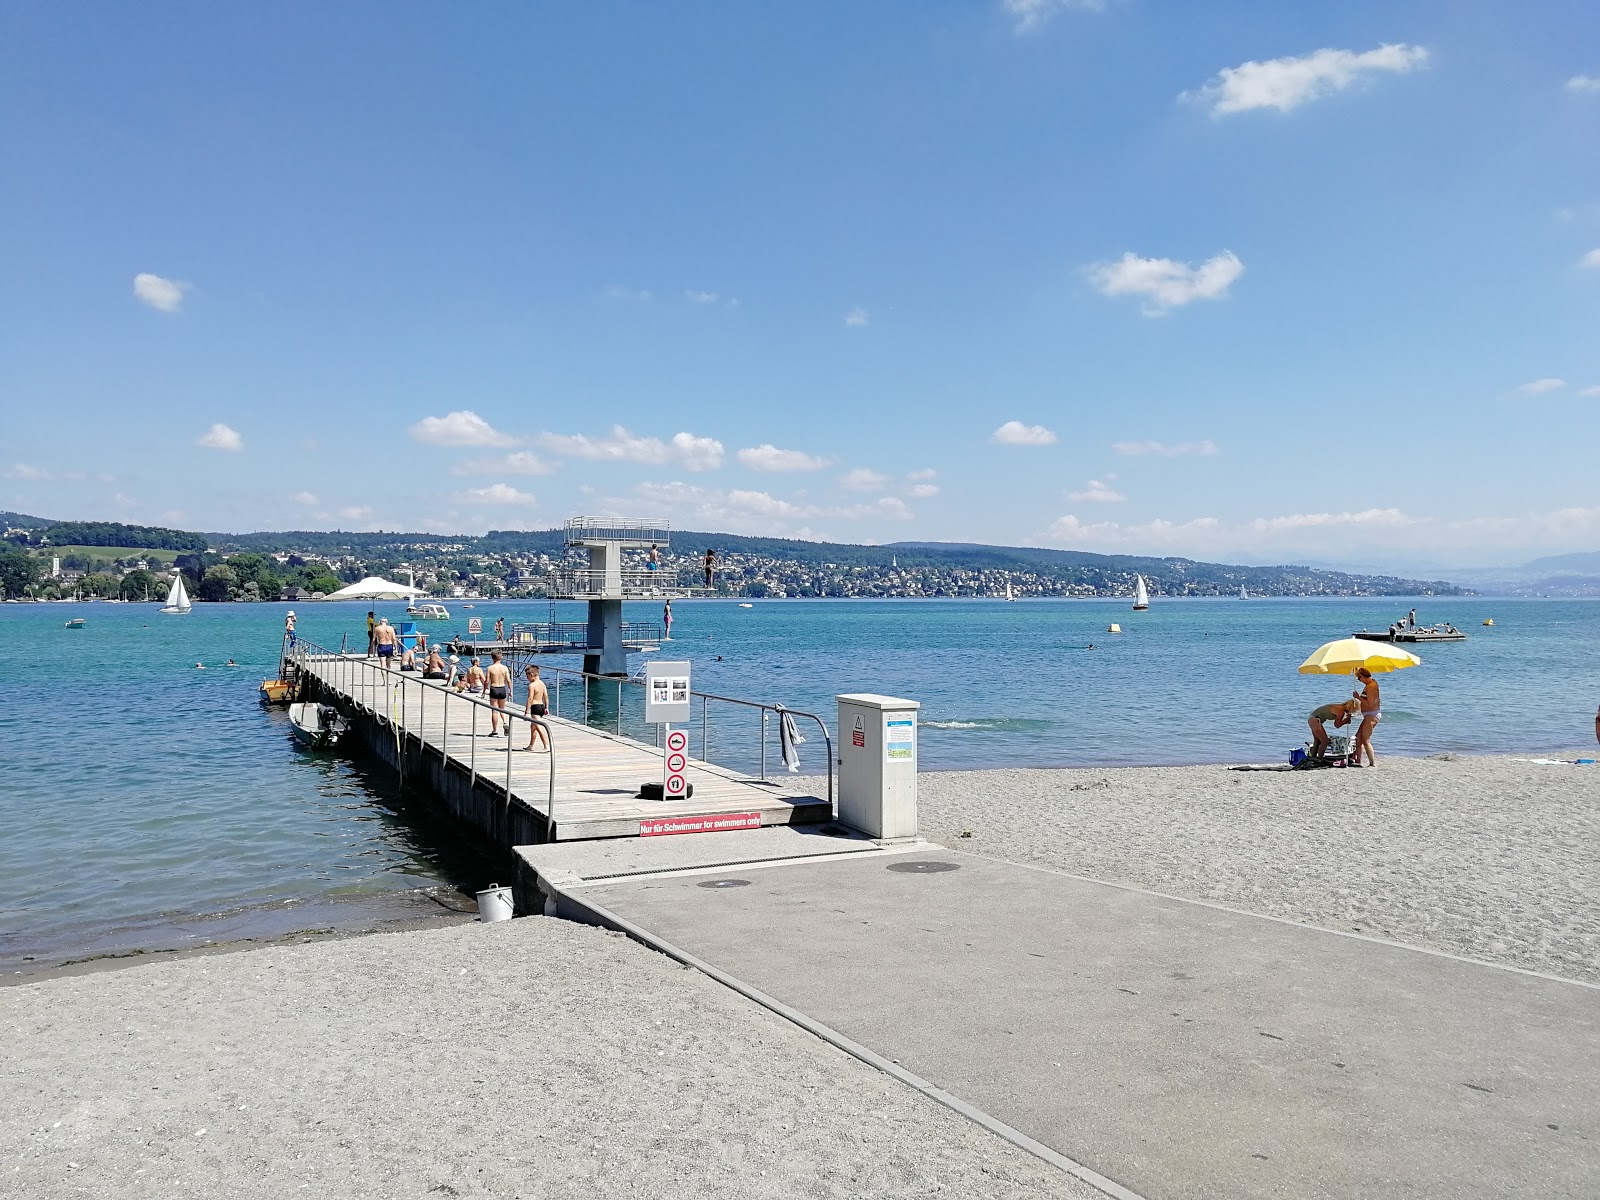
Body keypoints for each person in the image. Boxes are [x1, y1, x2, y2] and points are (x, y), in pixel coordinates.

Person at [1351, 667, 1381, 766]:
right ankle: (1358, 761)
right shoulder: (1370, 683)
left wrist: (1358, 697)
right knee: (1358, 737)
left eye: (1359, 679)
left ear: (1363, 677)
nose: (1359, 681)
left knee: (1365, 740)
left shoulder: (1371, 686)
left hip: (1371, 715)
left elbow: (1370, 704)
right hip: (1368, 715)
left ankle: (1372, 763)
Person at [522, 664, 550, 752]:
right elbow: (546, 696)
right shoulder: (542, 683)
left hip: (535, 707)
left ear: (532, 675)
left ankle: (546, 745)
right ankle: (531, 745)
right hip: (541, 706)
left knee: (538, 727)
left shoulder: (532, 685)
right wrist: (546, 707)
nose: (527, 678)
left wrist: (526, 711)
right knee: (533, 727)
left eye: (527, 676)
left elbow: (530, 699)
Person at [484, 651, 512, 736]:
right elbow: (508, 680)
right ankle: (505, 722)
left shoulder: (490, 668)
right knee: (502, 709)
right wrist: (510, 691)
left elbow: (487, 681)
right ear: (501, 657)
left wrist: (484, 690)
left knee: (495, 711)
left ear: (492, 658)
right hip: (502, 688)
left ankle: (495, 730)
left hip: (494, 688)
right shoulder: (505, 668)